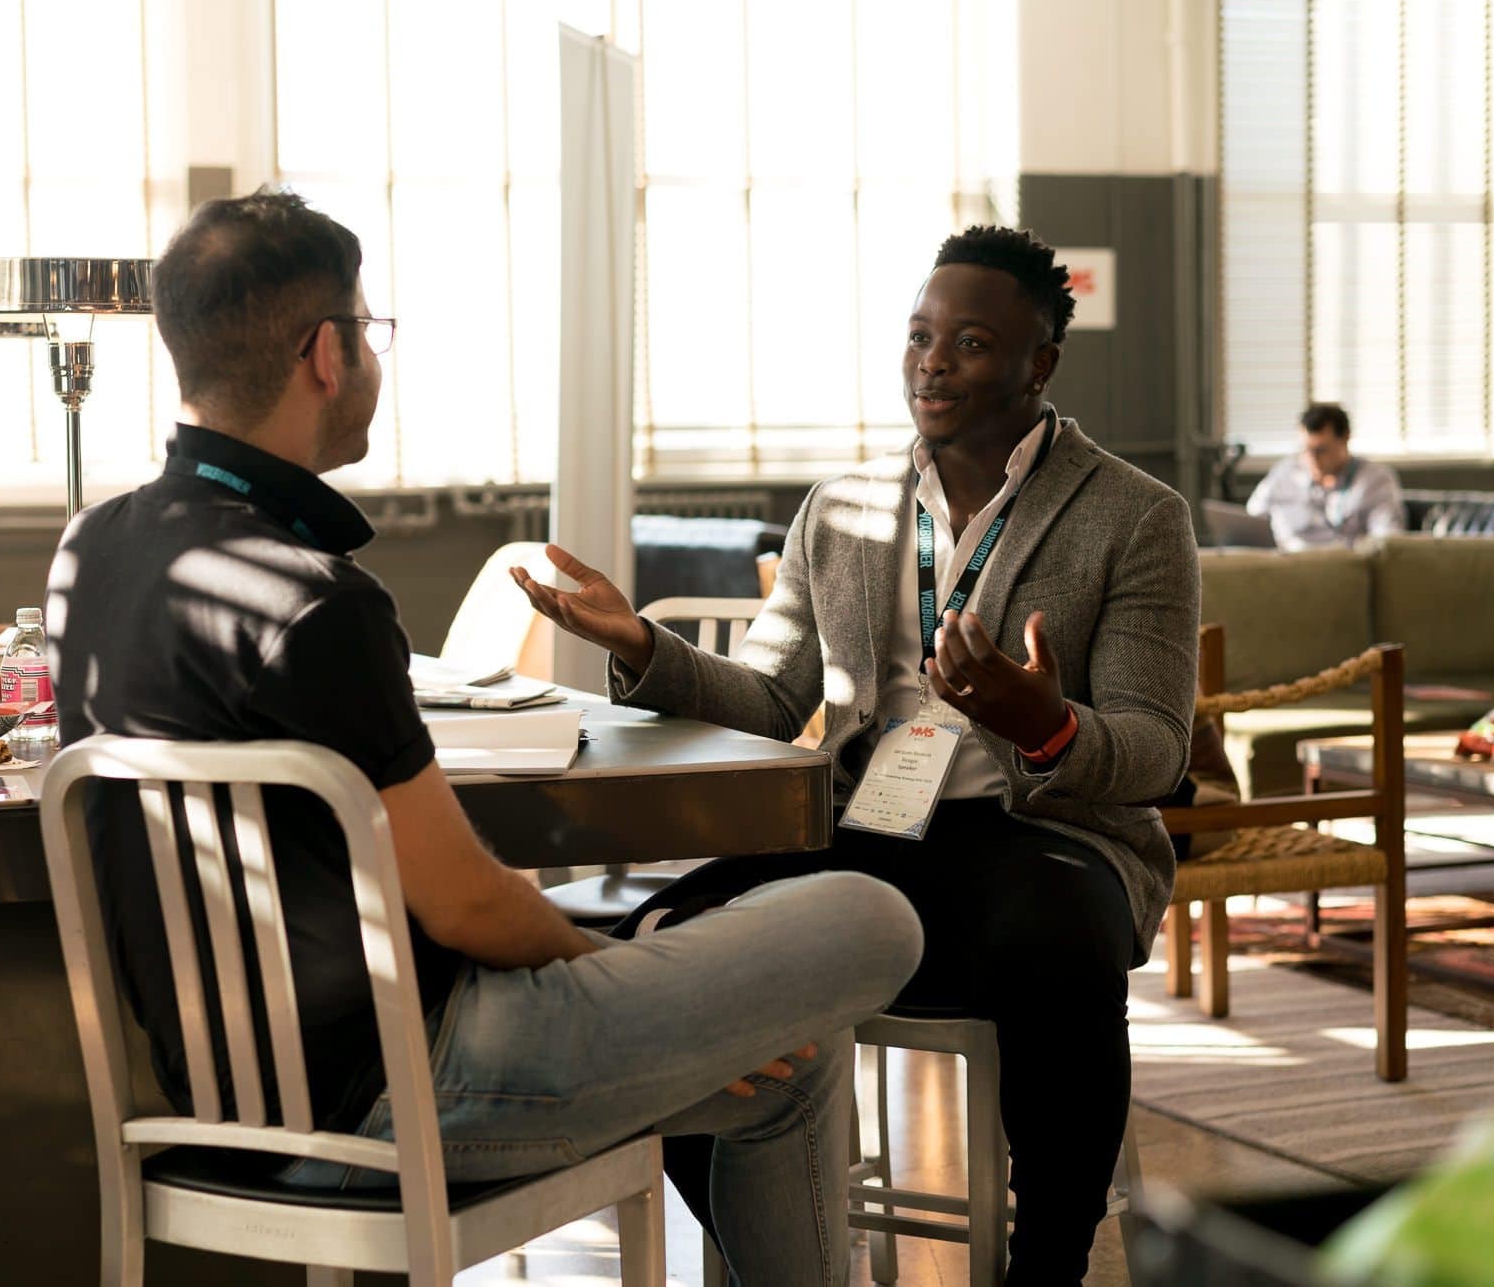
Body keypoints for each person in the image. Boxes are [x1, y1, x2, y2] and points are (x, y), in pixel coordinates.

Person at [46, 188, 921, 1286]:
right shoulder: (320, 601)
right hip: (410, 1091)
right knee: (868, 913)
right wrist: (616, 965)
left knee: (790, 1060)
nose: (371, 356)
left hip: (215, 1105)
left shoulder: (92, 550)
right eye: (370, 330)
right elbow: (460, 900)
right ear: (327, 351)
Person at [514, 224, 1201, 1282]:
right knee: (675, 934)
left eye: (969, 342)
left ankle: (1048, 1260)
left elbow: (1155, 749)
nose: (931, 362)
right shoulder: (835, 510)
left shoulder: (1133, 516)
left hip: (1044, 835)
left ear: (1038, 365)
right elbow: (774, 695)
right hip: (867, 828)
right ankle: (769, 1251)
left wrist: (1041, 724)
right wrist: (642, 646)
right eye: (919, 335)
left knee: (1056, 936)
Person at [1245, 402, 1404, 549]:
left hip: (1341, 567)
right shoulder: (1285, 472)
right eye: (1306, 450)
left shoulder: (1375, 479)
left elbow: (1387, 541)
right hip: (1284, 565)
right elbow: (1250, 520)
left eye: (1321, 450)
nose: (1313, 459)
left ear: (1345, 438)